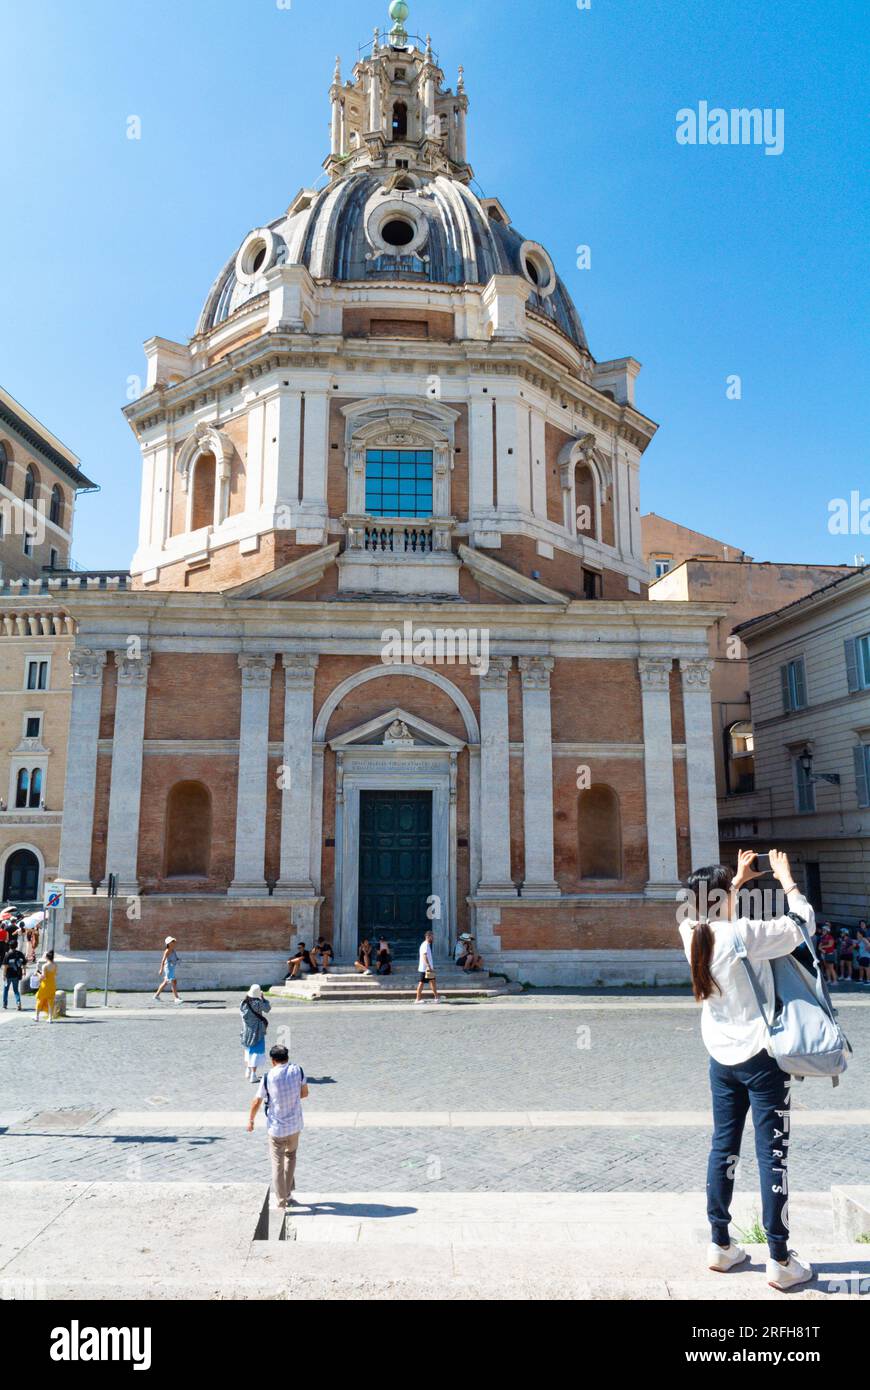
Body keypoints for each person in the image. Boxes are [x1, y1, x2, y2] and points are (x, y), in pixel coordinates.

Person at [679, 848, 815, 1293]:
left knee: (724, 1148)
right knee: (772, 1154)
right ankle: (779, 1256)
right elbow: (802, 924)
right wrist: (785, 878)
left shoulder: (689, 932)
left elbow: (714, 916)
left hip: (720, 1059)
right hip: (761, 1058)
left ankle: (720, 1244)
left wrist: (734, 882)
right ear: (722, 899)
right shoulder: (747, 934)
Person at [246, 1044, 309, 1212]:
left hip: (276, 1128)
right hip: (295, 1125)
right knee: (291, 1157)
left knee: (277, 1164)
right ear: (287, 1057)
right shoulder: (298, 1070)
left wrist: (251, 1120)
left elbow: (256, 1101)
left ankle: (281, 1202)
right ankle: (288, 1194)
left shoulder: (269, 1077)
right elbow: (304, 1093)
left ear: (273, 1060)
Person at [239, 985, 271, 1083]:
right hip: (257, 1031)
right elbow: (267, 1009)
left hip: (246, 1031)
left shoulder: (243, 1003)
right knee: (255, 1053)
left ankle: (248, 1071)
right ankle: (253, 1074)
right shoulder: (258, 1003)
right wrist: (263, 999)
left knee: (248, 1051)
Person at [414, 929, 441, 1004]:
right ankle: (417, 999)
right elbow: (424, 956)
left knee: (432, 982)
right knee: (422, 983)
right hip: (425, 968)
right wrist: (428, 966)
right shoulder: (425, 945)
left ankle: (436, 997)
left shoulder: (427, 945)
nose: (433, 938)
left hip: (428, 968)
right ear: (427, 936)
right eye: (432, 937)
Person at [154, 937, 183, 1003]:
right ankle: (176, 998)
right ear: (168, 943)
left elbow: (175, 958)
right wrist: (161, 969)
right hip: (168, 968)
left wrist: (178, 960)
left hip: (171, 968)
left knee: (165, 982)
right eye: (172, 941)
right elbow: (163, 960)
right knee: (173, 982)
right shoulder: (167, 950)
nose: (173, 942)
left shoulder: (173, 950)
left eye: (173, 941)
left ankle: (156, 996)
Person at [34, 949, 59, 1023]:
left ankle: (37, 1017)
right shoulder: (55, 965)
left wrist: (37, 973)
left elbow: (43, 977)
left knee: (39, 999)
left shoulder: (44, 966)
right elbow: (55, 974)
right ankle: (50, 1018)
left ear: (47, 957)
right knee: (51, 1001)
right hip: (52, 984)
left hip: (45, 985)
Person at [2, 941, 26, 1011]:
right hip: (16, 975)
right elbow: (24, 963)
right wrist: (24, 972)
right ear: (17, 945)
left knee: (6, 990)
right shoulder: (20, 954)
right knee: (16, 990)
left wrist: (4, 974)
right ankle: (18, 1003)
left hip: (8, 975)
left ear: (9, 946)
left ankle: (5, 1004)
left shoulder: (8, 954)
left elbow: (5, 966)